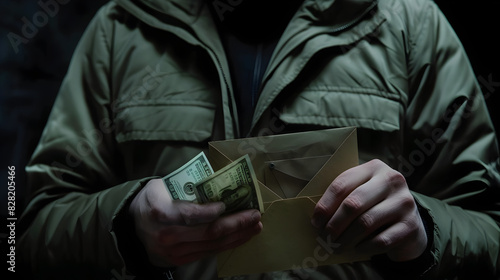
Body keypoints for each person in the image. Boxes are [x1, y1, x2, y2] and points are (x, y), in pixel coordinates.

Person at [18, 0, 500, 279]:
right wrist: (125, 226)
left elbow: (489, 228)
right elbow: (22, 240)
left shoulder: (411, 25)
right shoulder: (121, 28)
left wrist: (424, 232)